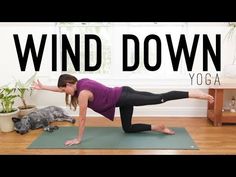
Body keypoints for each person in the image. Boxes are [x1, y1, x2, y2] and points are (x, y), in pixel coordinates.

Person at [32, 74, 214, 146]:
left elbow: (82, 119)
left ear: (70, 84)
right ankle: (157, 127)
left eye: (65, 89)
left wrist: (78, 138)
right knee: (127, 128)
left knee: (159, 97)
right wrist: (44, 87)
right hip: (123, 96)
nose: (64, 92)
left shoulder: (82, 94)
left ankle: (194, 94)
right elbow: (59, 88)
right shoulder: (79, 83)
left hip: (125, 96)